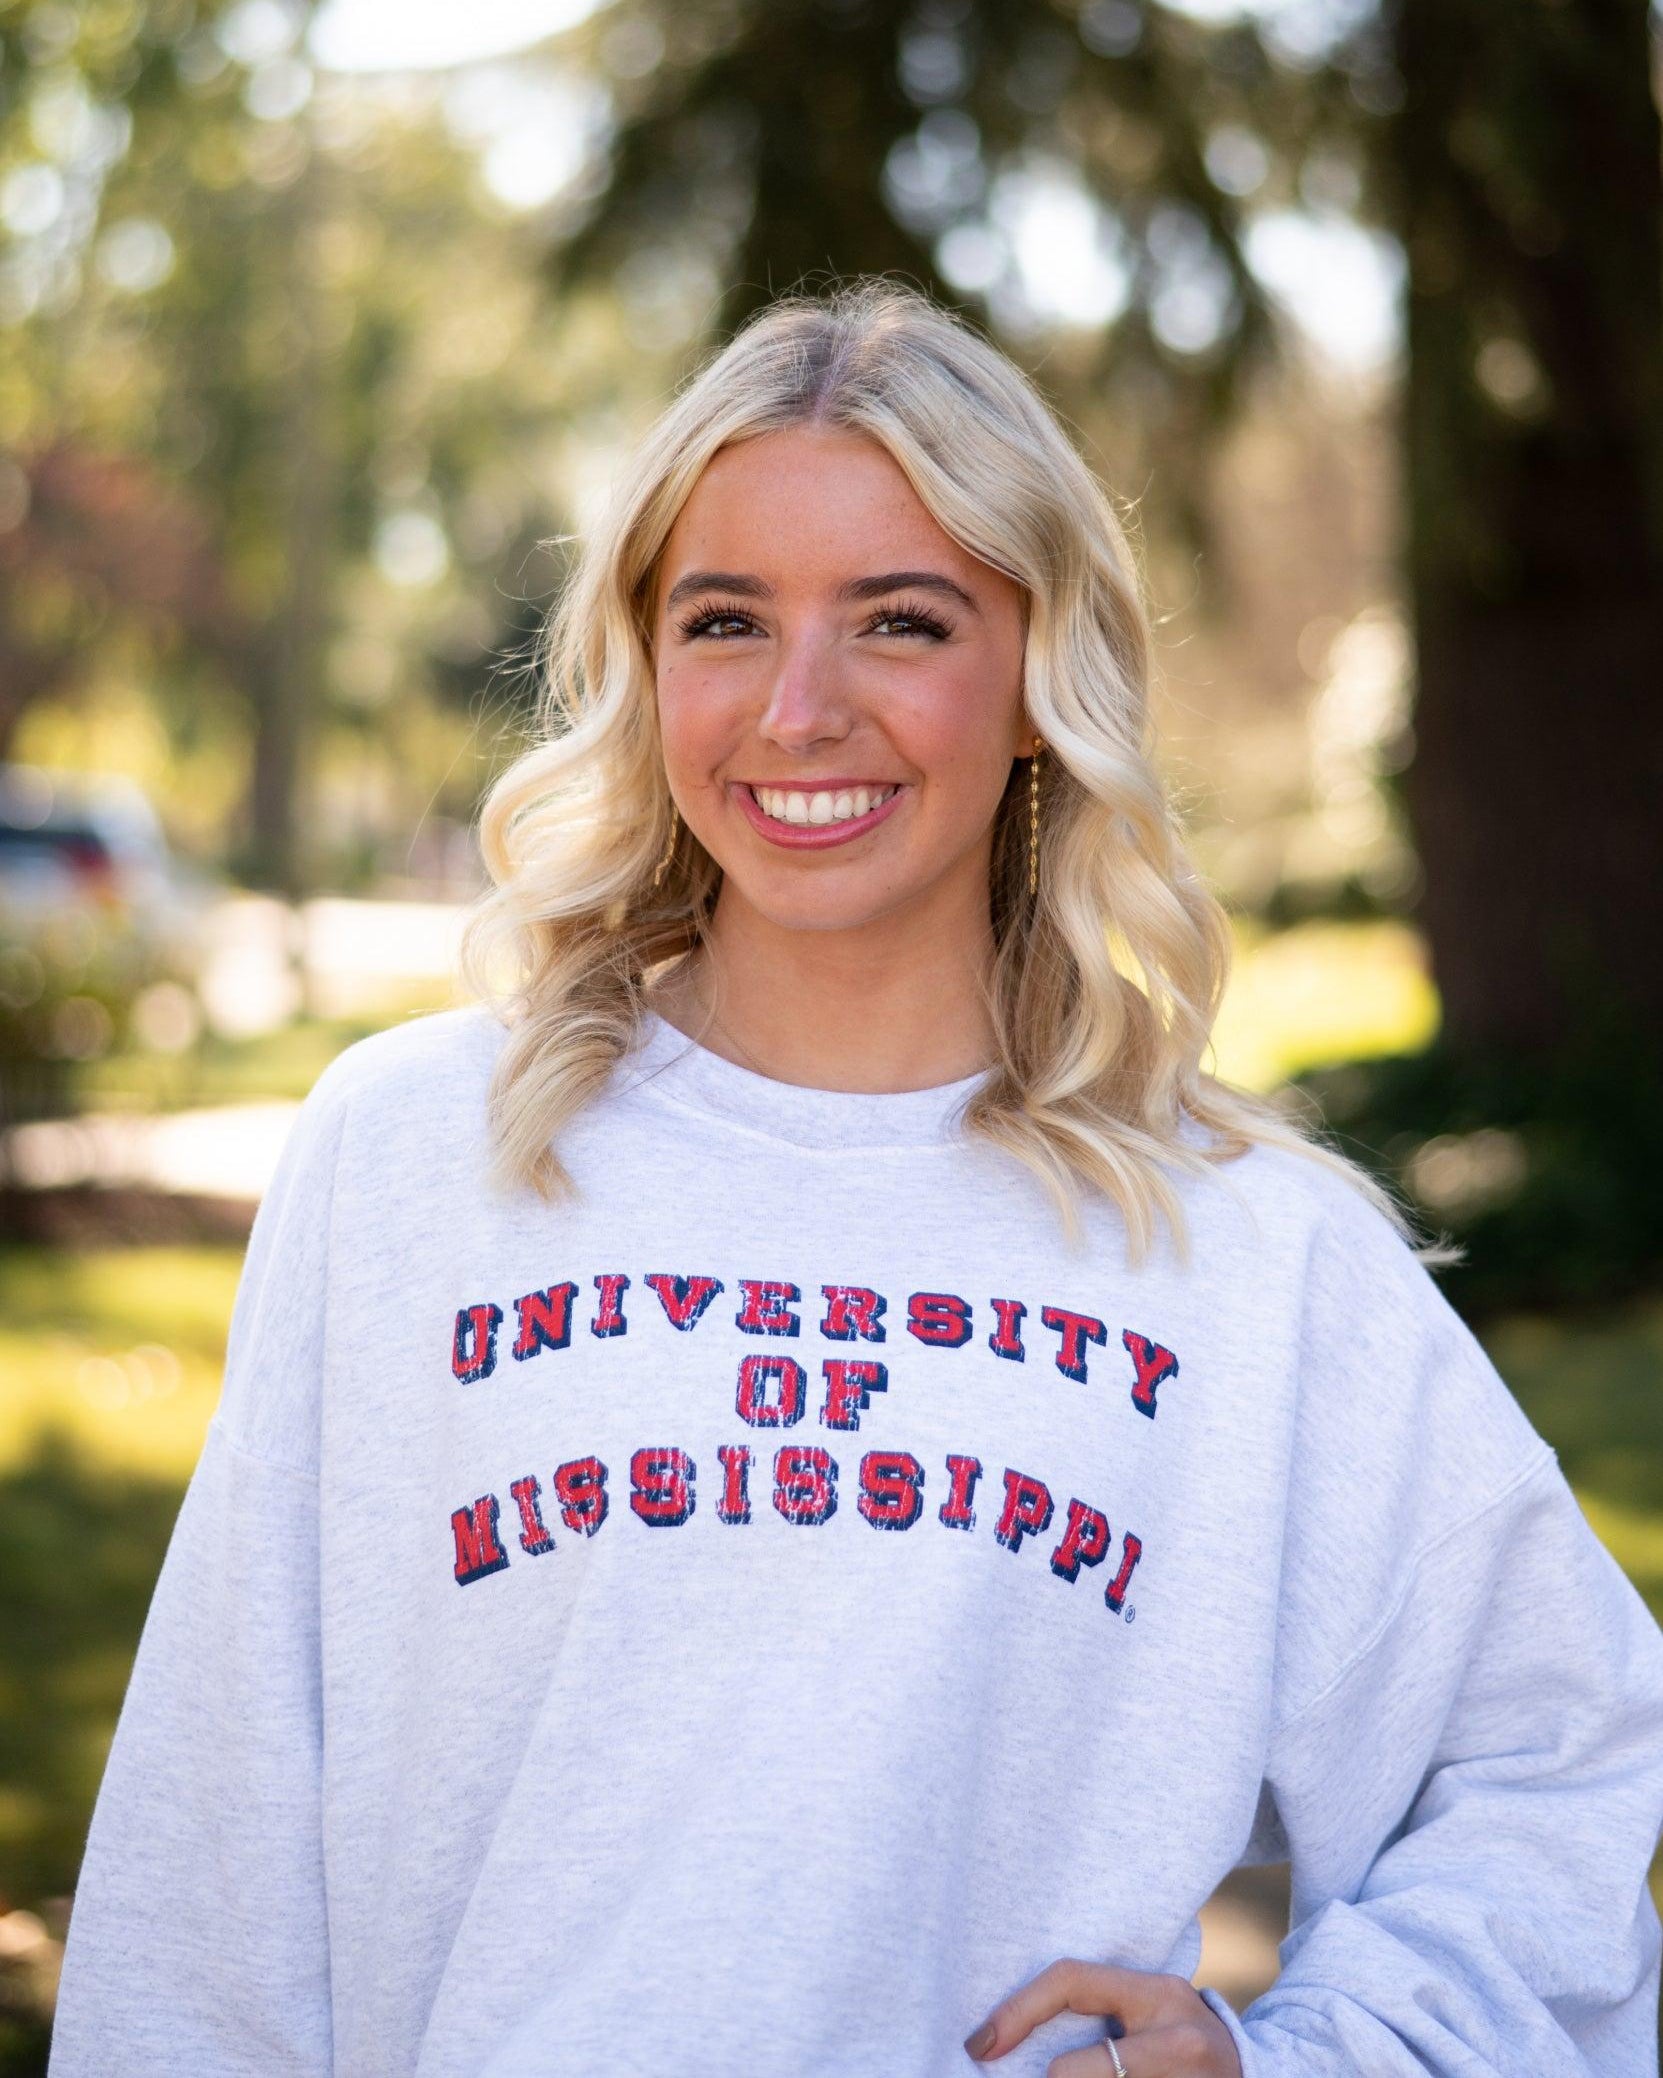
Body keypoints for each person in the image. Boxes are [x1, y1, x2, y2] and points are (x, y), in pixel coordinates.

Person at [47, 278, 1663, 2078]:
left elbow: (1556, 1756)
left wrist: (1307, 2060)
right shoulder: (419, 1156)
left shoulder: (1238, 1249)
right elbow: (216, 1849)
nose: (799, 709)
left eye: (902, 621)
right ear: (649, 661)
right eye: (726, 619)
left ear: (1042, 683)